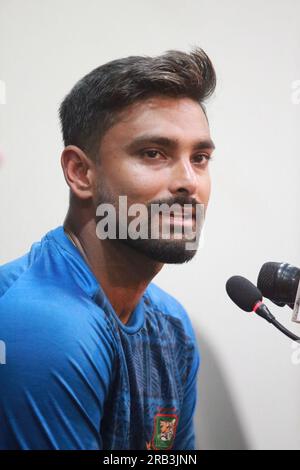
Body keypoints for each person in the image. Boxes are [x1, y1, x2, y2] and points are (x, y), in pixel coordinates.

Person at [0, 48, 216, 450]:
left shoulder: (172, 325)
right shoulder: (48, 326)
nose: (189, 182)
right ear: (81, 172)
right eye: (154, 153)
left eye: (200, 158)